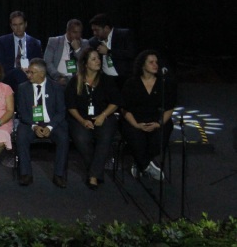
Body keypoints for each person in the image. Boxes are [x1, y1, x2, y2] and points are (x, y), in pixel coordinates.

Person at [65, 46, 122, 189]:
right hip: (80, 117)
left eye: (98, 58)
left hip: (104, 116)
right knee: (81, 138)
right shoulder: (75, 81)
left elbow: (116, 102)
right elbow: (71, 106)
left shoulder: (106, 80)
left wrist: (103, 115)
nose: (98, 61)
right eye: (94, 59)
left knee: (105, 137)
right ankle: (96, 171)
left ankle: (93, 175)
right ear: (85, 63)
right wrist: (82, 121)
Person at [120, 49, 176, 181]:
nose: (155, 65)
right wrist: (136, 125)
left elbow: (169, 108)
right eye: (151, 62)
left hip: (156, 120)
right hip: (135, 120)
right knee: (135, 137)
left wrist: (159, 123)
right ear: (142, 65)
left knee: (159, 138)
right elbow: (124, 108)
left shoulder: (164, 83)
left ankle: (140, 162)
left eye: (156, 62)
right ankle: (146, 165)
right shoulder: (131, 83)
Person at [15, 58, 69, 188]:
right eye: (28, 72)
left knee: (63, 137)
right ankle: (26, 173)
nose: (28, 75)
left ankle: (59, 174)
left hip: (52, 124)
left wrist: (50, 127)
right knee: (21, 136)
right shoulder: (23, 88)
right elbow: (22, 112)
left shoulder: (56, 87)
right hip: (30, 123)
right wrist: (34, 126)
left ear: (42, 73)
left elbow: (61, 111)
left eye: (31, 72)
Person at [0, 11, 42, 90]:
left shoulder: (35, 43)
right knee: (18, 73)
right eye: (15, 25)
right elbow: (0, 63)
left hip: (29, 74)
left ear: (25, 24)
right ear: (11, 26)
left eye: (20, 24)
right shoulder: (2, 41)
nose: (18, 28)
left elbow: (38, 64)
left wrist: (29, 70)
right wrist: (20, 70)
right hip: (8, 75)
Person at [89, 13, 136, 84]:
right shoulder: (93, 42)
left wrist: (109, 52)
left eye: (97, 30)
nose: (94, 33)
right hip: (105, 81)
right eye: (93, 30)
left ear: (106, 28)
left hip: (124, 79)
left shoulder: (123, 35)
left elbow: (131, 54)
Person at [45, 19, 90, 85]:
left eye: (79, 32)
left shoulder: (85, 44)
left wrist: (77, 50)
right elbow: (47, 62)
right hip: (59, 79)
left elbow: (87, 62)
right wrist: (58, 77)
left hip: (79, 80)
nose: (77, 36)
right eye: (75, 32)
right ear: (67, 31)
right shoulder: (54, 42)